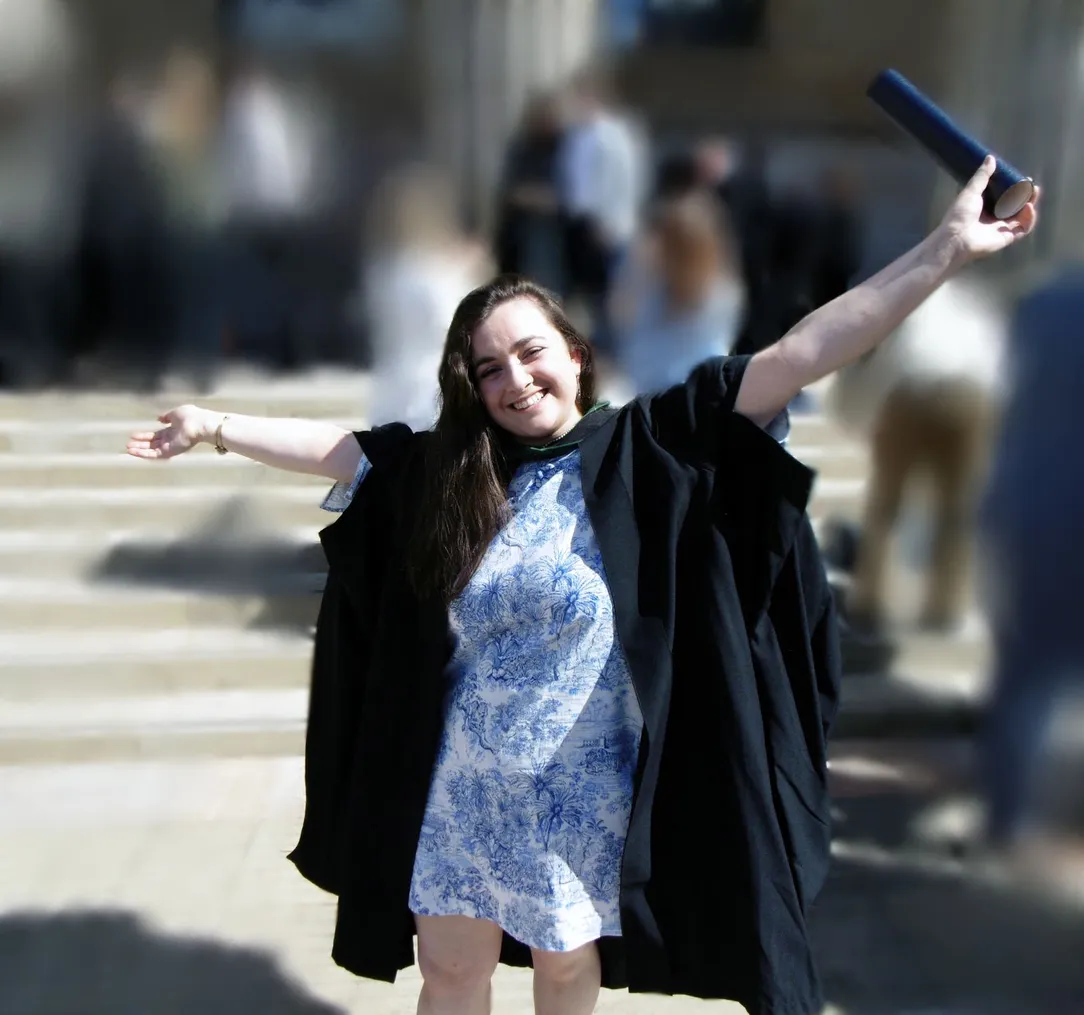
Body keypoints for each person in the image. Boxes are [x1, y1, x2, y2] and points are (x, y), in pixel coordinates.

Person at [127, 158, 1037, 1015]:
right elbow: (345, 452)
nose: (515, 380)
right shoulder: (455, 474)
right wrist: (213, 424)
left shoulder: (653, 449)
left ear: (573, 348)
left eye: (529, 352)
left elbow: (804, 351)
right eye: (488, 369)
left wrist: (946, 248)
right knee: (449, 972)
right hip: (462, 787)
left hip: (588, 792)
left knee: (567, 971)